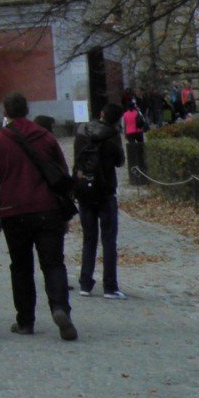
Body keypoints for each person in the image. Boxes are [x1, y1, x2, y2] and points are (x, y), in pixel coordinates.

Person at [0, 90, 78, 341]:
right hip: (48, 209)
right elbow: (61, 172)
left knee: (21, 267)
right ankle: (59, 308)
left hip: (15, 212)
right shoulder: (45, 136)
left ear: (5, 111)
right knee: (54, 263)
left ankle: (25, 320)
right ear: (27, 110)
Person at [72, 111, 127, 300]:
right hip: (105, 192)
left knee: (89, 239)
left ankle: (85, 284)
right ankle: (110, 287)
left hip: (85, 192)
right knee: (109, 241)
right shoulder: (111, 136)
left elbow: (76, 159)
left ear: (102, 114)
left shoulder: (82, 132)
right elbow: (120, 161)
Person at [121, 95, 148, 185]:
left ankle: (133, 163)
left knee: (132, 149)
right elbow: (143, 121)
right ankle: (142, 161)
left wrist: (125, 134)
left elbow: (123, 125)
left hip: (129, 132)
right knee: (141, 147)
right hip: (138, 131)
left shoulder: (125, 114)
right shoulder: (137, 112)